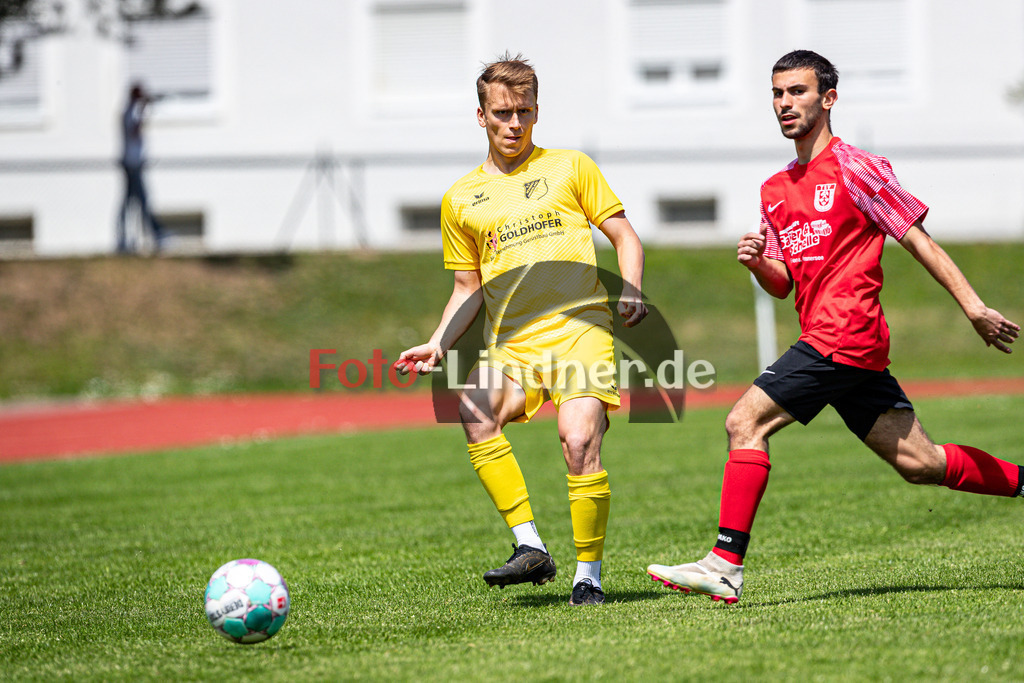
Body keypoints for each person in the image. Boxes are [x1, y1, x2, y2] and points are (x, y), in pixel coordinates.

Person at [646, 50, 1021, 604]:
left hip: (843, 335)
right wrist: (756, 261)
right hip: (842, 345)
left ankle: (724, 564)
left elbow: (918, 239)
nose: (784, 104)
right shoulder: (775, 189)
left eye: (797, 92)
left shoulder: (857, 168)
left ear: (828, 99)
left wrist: (972, 307)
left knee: (743, 421)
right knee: (922, 463)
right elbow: (783, 284)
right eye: (777, 94)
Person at [396, 53, 647, 606]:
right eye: (503, 113)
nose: (515, 124)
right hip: (513, 344)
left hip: (581, 331)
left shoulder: (570, 167)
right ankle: (529, 547)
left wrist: (630, 286)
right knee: (474, 412)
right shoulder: (460, 198)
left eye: (525, 112)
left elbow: (625, 237)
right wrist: (439, 343)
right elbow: (467, 288)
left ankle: (589, 577)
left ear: (537, 111)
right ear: (481, 115)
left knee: (579, 443)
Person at [116, 82, 166, 253]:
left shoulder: (131, 112)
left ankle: (125, 238)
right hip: (132, 165)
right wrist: (145, 109)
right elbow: (135, 132)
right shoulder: (129, 113)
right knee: (141, 201)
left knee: (129, 202)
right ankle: (156, 234)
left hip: (134, 163)